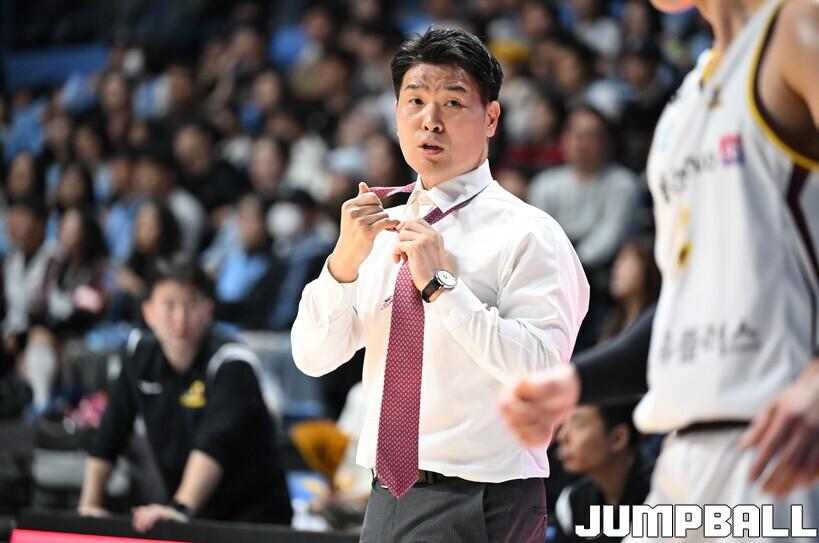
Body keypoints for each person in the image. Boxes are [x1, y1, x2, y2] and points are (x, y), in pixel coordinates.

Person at [502, 0, 819, 539]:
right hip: (682, 453)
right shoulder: (684, 104)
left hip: (781, 446)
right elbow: (685, 300)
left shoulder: (795, 27)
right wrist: (577, 380)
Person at [291, 27, 589, 542]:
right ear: (396, 113)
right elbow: (313, 358)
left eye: (452, 102)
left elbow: (543, 371)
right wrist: (342, 264)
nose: (430, 120)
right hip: (385, 492)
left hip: (482, 496)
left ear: (490, 118)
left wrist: (442, 287)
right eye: (415, 101)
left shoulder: (529, 233)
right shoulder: (380, 228)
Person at [79, 255, 292, 530]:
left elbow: (214, 444)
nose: (180, 318)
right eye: (169, 304)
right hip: (196, 516)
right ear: (149, 312)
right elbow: (110, 432)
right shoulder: (139, 355)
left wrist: (179, 509)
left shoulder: (232, 362)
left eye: (191, 304)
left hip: (254, 521)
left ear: (208, 309)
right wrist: (89, 508)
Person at [552, 402, 651, 543]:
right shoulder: (573, 501)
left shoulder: (663, 496)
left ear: (618, 438)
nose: (562, 436)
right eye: (563, 423)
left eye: (578, 424)